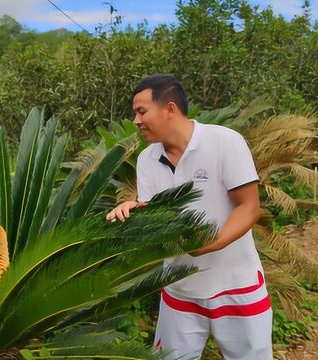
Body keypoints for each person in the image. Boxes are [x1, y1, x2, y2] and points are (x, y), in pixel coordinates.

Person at [105, 75, 273, 360]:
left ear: (170, 108)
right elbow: (159, 214)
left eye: (141, 111)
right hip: (179, 289)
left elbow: (249, 207)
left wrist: (210, 243)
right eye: (135, 113)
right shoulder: (147, 160)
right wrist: (133, 211)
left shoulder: (225, 142)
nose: (135, 120)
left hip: (236, 286)